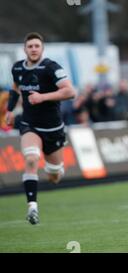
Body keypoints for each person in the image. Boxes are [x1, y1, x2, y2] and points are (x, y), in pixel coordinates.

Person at [5, 32, 76, 225]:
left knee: (54, 176)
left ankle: (54, 166)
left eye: (37, 46)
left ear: (42, 49)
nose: (33, 49)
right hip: (30, 124)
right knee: (31, 158)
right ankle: (32, 207)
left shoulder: (50, 67)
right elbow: (15, 88)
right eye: (30, 46)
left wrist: (42, 97)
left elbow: (71, 91)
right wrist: (10, 110)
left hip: (53, 128)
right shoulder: (18, 67)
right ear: (25, 49)